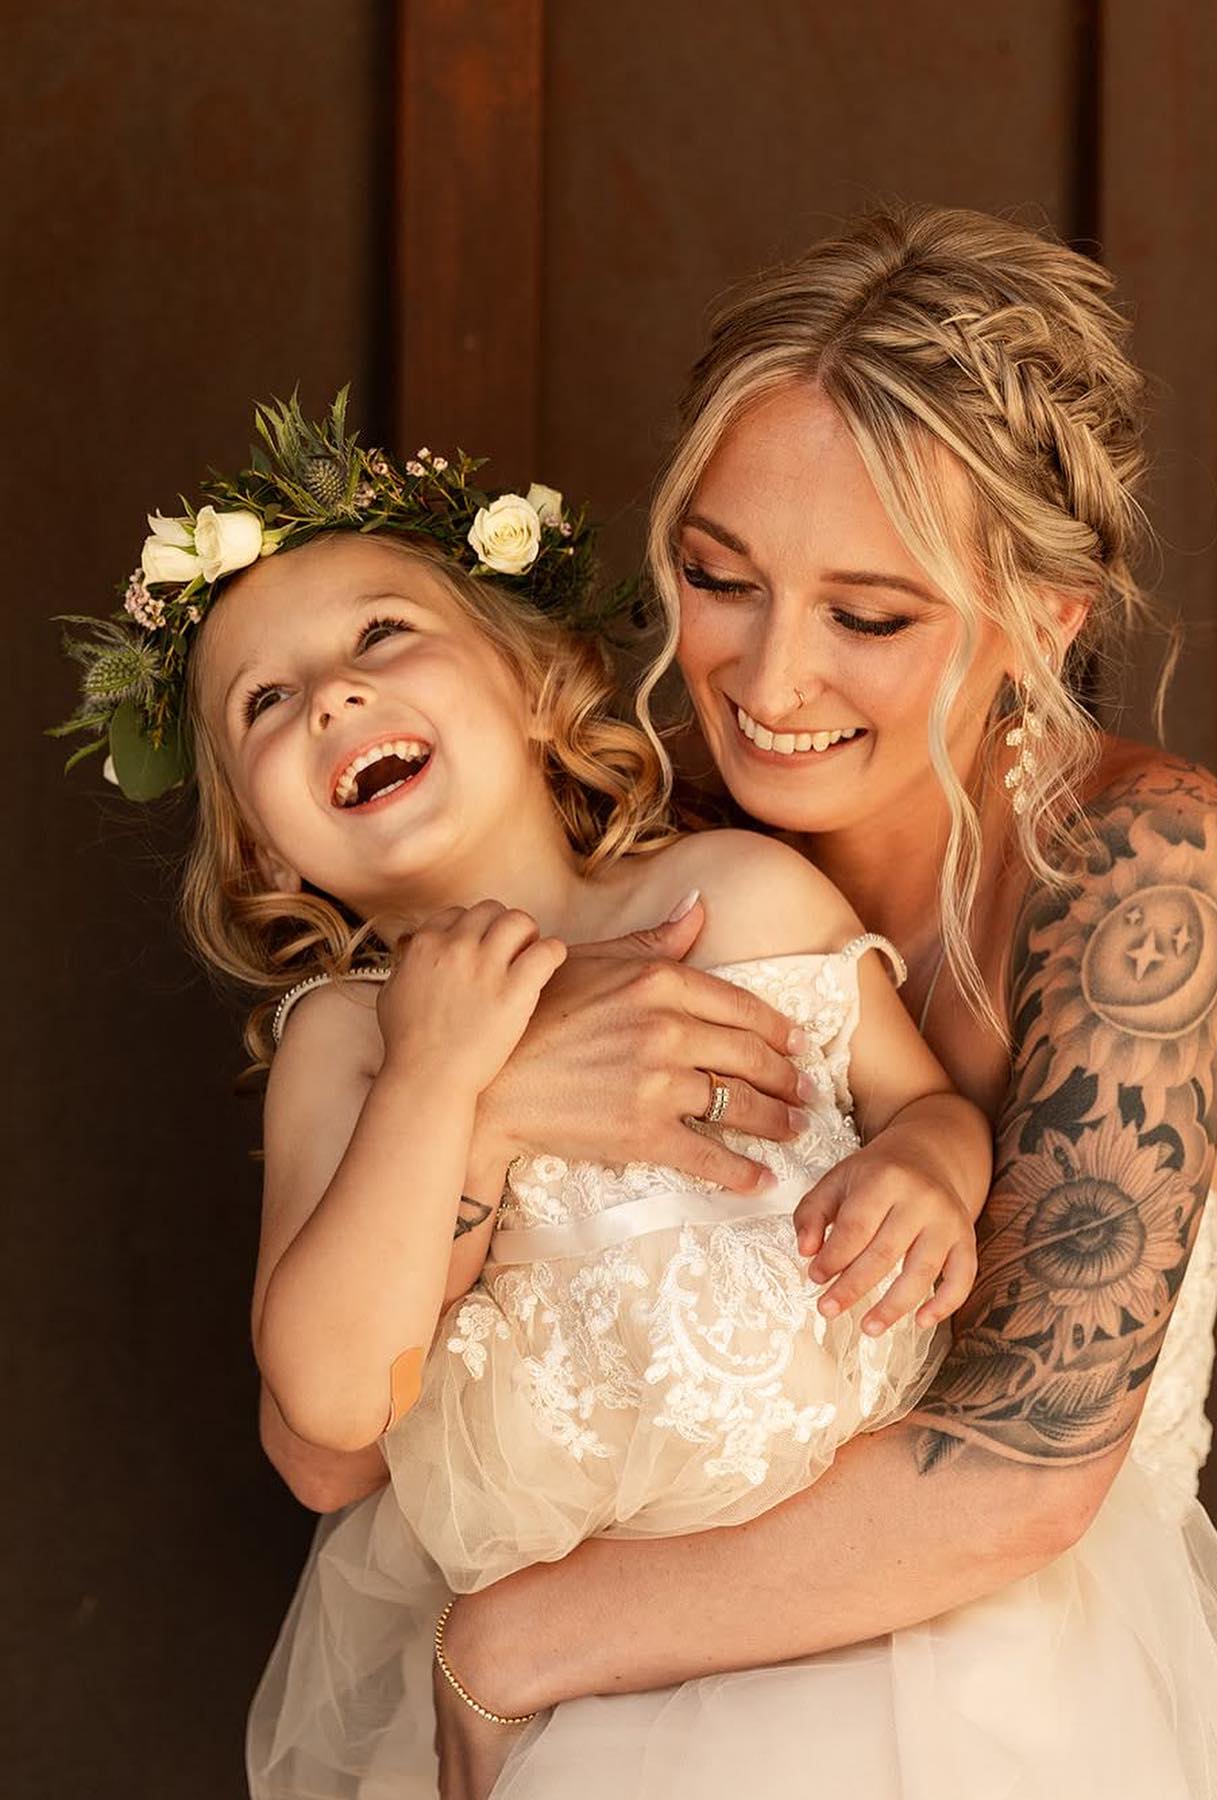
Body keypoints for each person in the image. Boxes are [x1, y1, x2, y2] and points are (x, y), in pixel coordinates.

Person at [409, 206, 1217, 1798]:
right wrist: (486, 1106)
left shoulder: (1136, 870)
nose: (767, 679)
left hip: (1004, 1707)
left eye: (869, 617)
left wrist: (517, 1646)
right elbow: (354, 1381)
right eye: (717, 576)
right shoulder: (628, 844)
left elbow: (1018, 1472)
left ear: (1049, 618)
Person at [52, 394, 994, 1797]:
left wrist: (930, 1173)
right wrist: (446, 1086)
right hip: (571, 1726)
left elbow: (930, 1112)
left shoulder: (730, 898)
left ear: (532, 680)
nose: (334, 697)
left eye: (380, 634)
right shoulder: (352, 1047)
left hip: (863, 1640)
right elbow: (325, 1404)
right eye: (267, 702)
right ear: (261, 847)